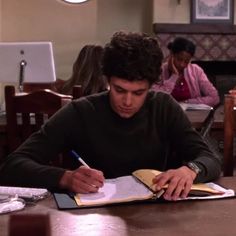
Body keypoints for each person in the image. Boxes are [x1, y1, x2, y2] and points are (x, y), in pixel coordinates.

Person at [0, 32, 221, 201]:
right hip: (91, 220)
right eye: (119, 90)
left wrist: (190, 170)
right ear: (107, 80)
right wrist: (65, 177)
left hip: (155, 218)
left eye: (138, 93)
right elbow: (12, 166)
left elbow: (210, 158)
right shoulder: (81, 111)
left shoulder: (163, 107)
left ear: (151, 86)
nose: (127, 101)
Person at [151, 37, 220, 107]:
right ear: (172, 54)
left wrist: (186, 102)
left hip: (192, 115)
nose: (182, 64)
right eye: (179, 59)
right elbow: (156, 99)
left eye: (186, 61)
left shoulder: (196, 70)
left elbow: (215, 98)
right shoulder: (159, 71)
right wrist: (174, 76)